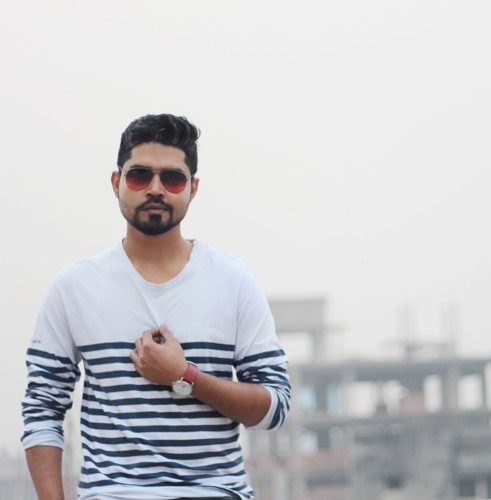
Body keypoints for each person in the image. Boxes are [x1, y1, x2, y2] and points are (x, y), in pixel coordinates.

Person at [21, 113, 291, 500]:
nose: (155, 189)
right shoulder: (74, 287)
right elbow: (42, 407)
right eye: (139, 176)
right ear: (116, 182)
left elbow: (274, 409)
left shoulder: (233, 281)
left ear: (193, 188)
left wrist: (185, 375)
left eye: (173, 179)